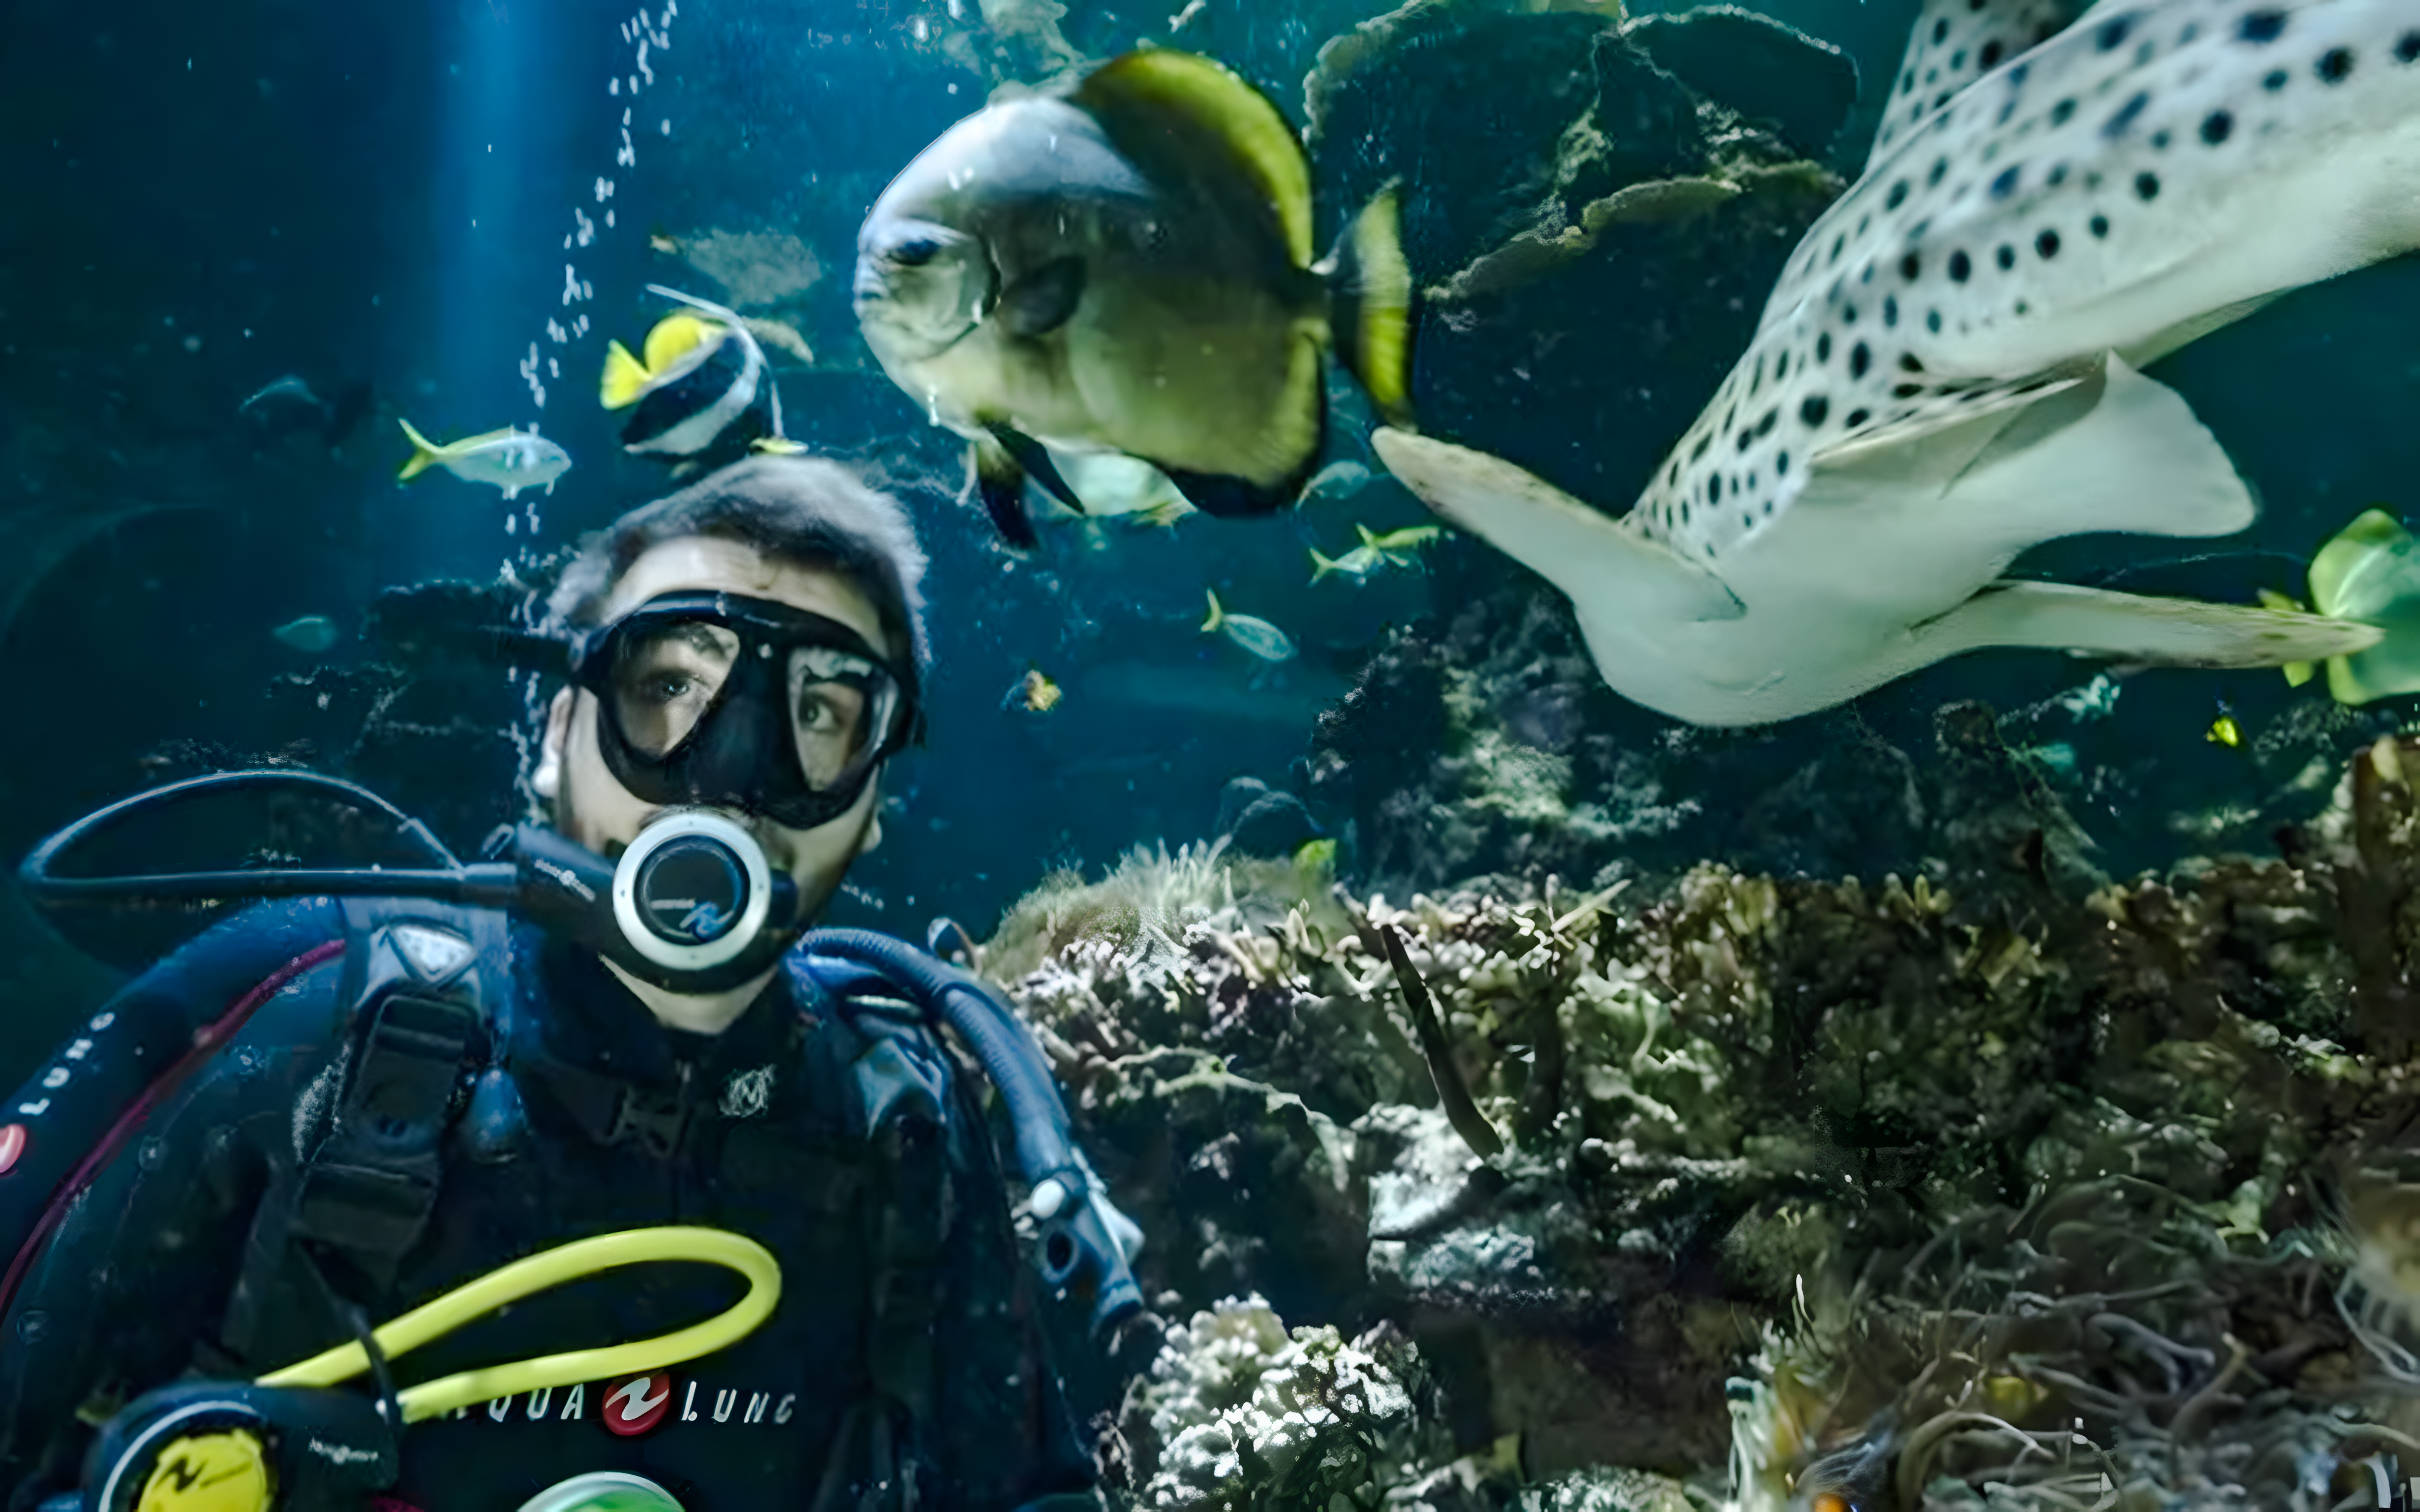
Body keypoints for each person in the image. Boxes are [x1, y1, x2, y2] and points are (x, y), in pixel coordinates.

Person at [0, 456, 1113, 1512]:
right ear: (556, 733)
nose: (732, 776)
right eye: (670, 684)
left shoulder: (906, 1124)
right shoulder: (308, 1003)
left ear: (871, 805)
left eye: (819, 711)